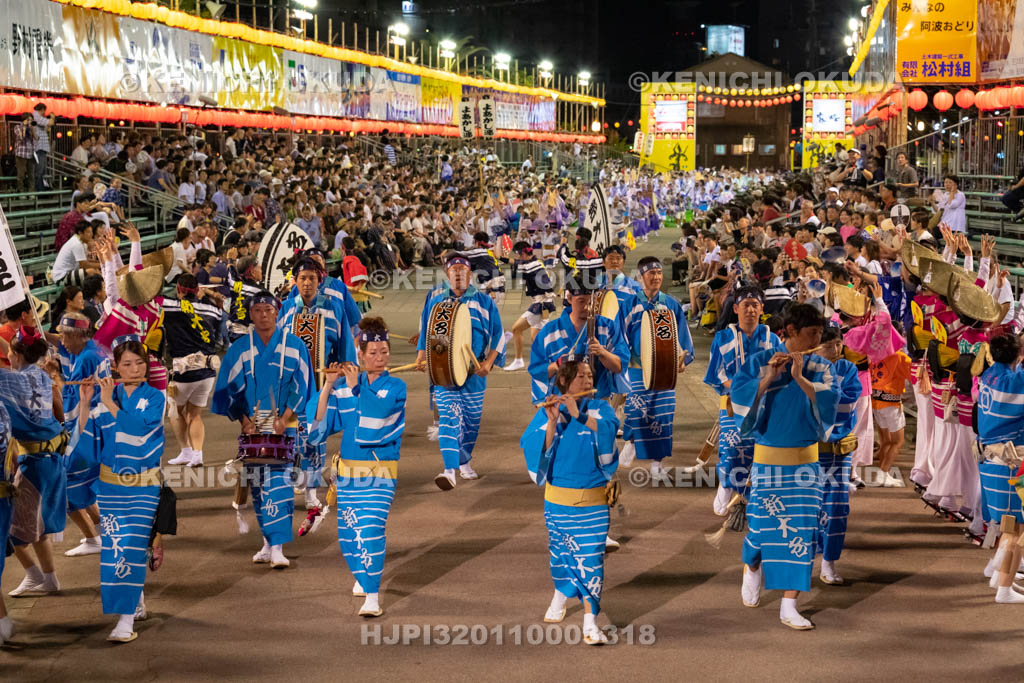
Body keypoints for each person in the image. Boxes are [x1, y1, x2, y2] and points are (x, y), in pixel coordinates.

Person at [731, 303, 839, 630]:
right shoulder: (760, 361)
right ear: (791, 332)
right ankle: (752, 566)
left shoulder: (820, 367)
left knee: (801, 533)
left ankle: (789, 605)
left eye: (820, 334)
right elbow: (738, 401)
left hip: (806, 464)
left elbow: (829, 403)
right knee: (764, 530)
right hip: (767, 462)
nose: (817, 340)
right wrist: (767, 379)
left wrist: (798, 377)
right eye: (811, 334)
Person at [308, 317, 406, 617]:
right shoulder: (348, 386)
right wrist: (327, 386)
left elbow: (378, 419)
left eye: (384, 351)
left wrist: (354, 388)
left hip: (379, 475)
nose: (380, 357)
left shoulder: (395, 387)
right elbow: (319, 425)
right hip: (348, 476)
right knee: (349, 535)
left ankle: (373, 596)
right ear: (360, 355)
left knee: (370, 530)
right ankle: (363, 577)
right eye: (373, 352)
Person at [520, 360, 618, 645]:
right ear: (565, 382)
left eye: (590, 375)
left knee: (591, 561)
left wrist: (579, 416)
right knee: (562, 555)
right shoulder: (549, 410)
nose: (587, 380)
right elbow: (537, 450)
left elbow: (610, 432)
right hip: (558, 502)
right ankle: (561, 593)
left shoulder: (602, 408)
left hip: (593, 502)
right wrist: (552, 421)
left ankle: (590, 622)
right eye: (580, 376)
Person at [212, 292, 313, 569]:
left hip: (284, 424)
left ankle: (279, 547)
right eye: (257, 310)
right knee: (257, 486)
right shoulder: (240, 348)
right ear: (250, 315)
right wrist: (242, 418)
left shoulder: (295, 345)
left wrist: (287, 416)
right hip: (253, 424)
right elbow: (228, 387)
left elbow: (302, 384)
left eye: (268, 309)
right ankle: (268, 543)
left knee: (279, 485)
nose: (264, 314)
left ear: (278, 312)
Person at [76, 338, 165, 642]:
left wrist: (110, 403)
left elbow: (141, 434)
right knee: (118, 549)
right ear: (115, 366)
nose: (135, 369)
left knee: (129, 546)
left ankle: (125, 620)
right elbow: (88, 440)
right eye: (126, 363)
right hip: (111, 487)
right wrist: (87, 402)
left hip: (143, 486)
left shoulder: (155, 397)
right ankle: (134, 600)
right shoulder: (104, 395)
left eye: (140, 362)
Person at [416, 253, 507, 490]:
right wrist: (420, 356)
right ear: (447, 274)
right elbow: (425, 326)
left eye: (463, 271)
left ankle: (464, 461)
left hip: (473, 371)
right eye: (454, 270)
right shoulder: (435, 296)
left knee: (470, 421)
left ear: (470, 274)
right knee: (448, 417)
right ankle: (449, 471)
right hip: (443, 368)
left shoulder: (484, 301)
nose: (458, 274)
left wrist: (488, 363)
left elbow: (498, 334)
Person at [277, 259, 357, 510]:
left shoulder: (333, 307)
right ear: (296, 282)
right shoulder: (287, 308)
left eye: (312, 278)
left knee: (314, 438)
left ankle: (311, 490)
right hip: (290, 386)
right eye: (302, 278)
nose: (307, 283)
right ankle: (293, 480)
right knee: (289, 437)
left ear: (319, 280)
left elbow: (344, 343)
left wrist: (344, 369)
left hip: (320, 385)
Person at [3, 332, 68, 598]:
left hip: (35, 463)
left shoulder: (7, 379)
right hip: (53, 457)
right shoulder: (41, 374)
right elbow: (57, 401)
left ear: (17, 356)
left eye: (10, 353)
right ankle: (48, 578)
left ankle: (33, 575)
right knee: (36, 526)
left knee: (7, 527)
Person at [704, 287, 779, 515]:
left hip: (763, 404)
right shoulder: (723, 337)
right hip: (731, 404)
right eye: (745, 304)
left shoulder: (772, 338)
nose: (750, 309)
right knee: (731, 449)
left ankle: (751, 497)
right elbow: (717, 374)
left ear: (762, 309)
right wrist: (742, 390)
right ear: (735, 308)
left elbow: (776, 372)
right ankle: (726, 486)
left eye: (755, 305)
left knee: (760, 452)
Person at [620, 257, 694, 473]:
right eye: (651, 273)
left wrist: (682, 359)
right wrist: (622, 362)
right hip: (636, 368)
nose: (656, 277)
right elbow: (620, 337)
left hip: (665, 368)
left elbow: (683, 338)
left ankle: (657, 462)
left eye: (659, 273)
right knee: (637, 410)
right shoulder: (629, 305)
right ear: (641, 277)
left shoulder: (671, 304)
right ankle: (632, 442)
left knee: (662, 414)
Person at [977, 334, 1024, 603]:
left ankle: (997, 572)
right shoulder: (1014, 381)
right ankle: (1004, 590)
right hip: (1008, 463)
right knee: (1016, 528)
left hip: (991, 459)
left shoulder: (990, 375)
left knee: (1009, 526)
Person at [815, 327, 862, 585]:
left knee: (836, 508)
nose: (835, 350)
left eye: (837, 344)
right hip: (807, 450)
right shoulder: (806, 367)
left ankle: (828, 562)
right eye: (828, 345)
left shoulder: (848, 369)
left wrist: (817, 397)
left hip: (837, 453)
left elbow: (847, 405)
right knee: (805, 508)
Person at [163, 274, 225, 468]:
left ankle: (185, 450)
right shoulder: (213, 310)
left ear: (179, 290)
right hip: (208, 370)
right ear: (198, 290)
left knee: (175, 411)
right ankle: (197, 454)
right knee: (195, 414)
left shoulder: (168, 305)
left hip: (184, 370)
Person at [55, 313, 104, 557]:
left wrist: (55, 380)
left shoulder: (86, 358)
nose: (62, 341)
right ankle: (99, 532)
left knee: (65, 485)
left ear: (76, 336)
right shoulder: (91, 351)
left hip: (87, 429)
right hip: (96, 428)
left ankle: (93, 537)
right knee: (81, 485)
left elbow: (73, 401)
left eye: (64, 336)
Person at [504, 243, 554, 372]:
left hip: (541, 304)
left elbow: (515, 271)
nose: (516, 257)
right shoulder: (536, 263)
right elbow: (515, 265)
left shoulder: (531, 265)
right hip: (544, 303)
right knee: (535, 338)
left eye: (517, 254)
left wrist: (501, 257)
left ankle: (518, 360)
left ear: (523, 254)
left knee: (516, 329)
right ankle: (548, 361)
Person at [52, 220, 101, 286]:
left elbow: (85, 261)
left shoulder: (80, 242)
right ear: (80, 233)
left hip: (68, 273)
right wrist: (102, 264)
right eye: (88, 232)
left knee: (95, 270)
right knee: (92, 272)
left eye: (91, 231)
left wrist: (101, 262)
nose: (91, 234)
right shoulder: (76, 244)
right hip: (61, 277)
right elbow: (84, 265)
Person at [32, 102, 53, 191]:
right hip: (39, 147)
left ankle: (41, 188)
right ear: (42, 110)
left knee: (41, 170)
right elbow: (50, 123)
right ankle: (39, 189)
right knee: (39, 170)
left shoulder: (37, 117)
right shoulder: (36, 116)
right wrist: (52, 117)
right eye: (44, 111)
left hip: (41, 147)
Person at [13, 113, 35, 193]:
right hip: (21, 154)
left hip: (30, 154)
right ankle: (21, 191)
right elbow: (21, 138)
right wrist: (24, 127)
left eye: (31, 120)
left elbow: (36, 138)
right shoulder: (18, 127)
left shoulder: (31, 127)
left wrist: (33, 129)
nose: (30, 122)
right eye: (29, 120)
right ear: (24, 119)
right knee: (21, 175)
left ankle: (31, 191)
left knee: (31, 175)